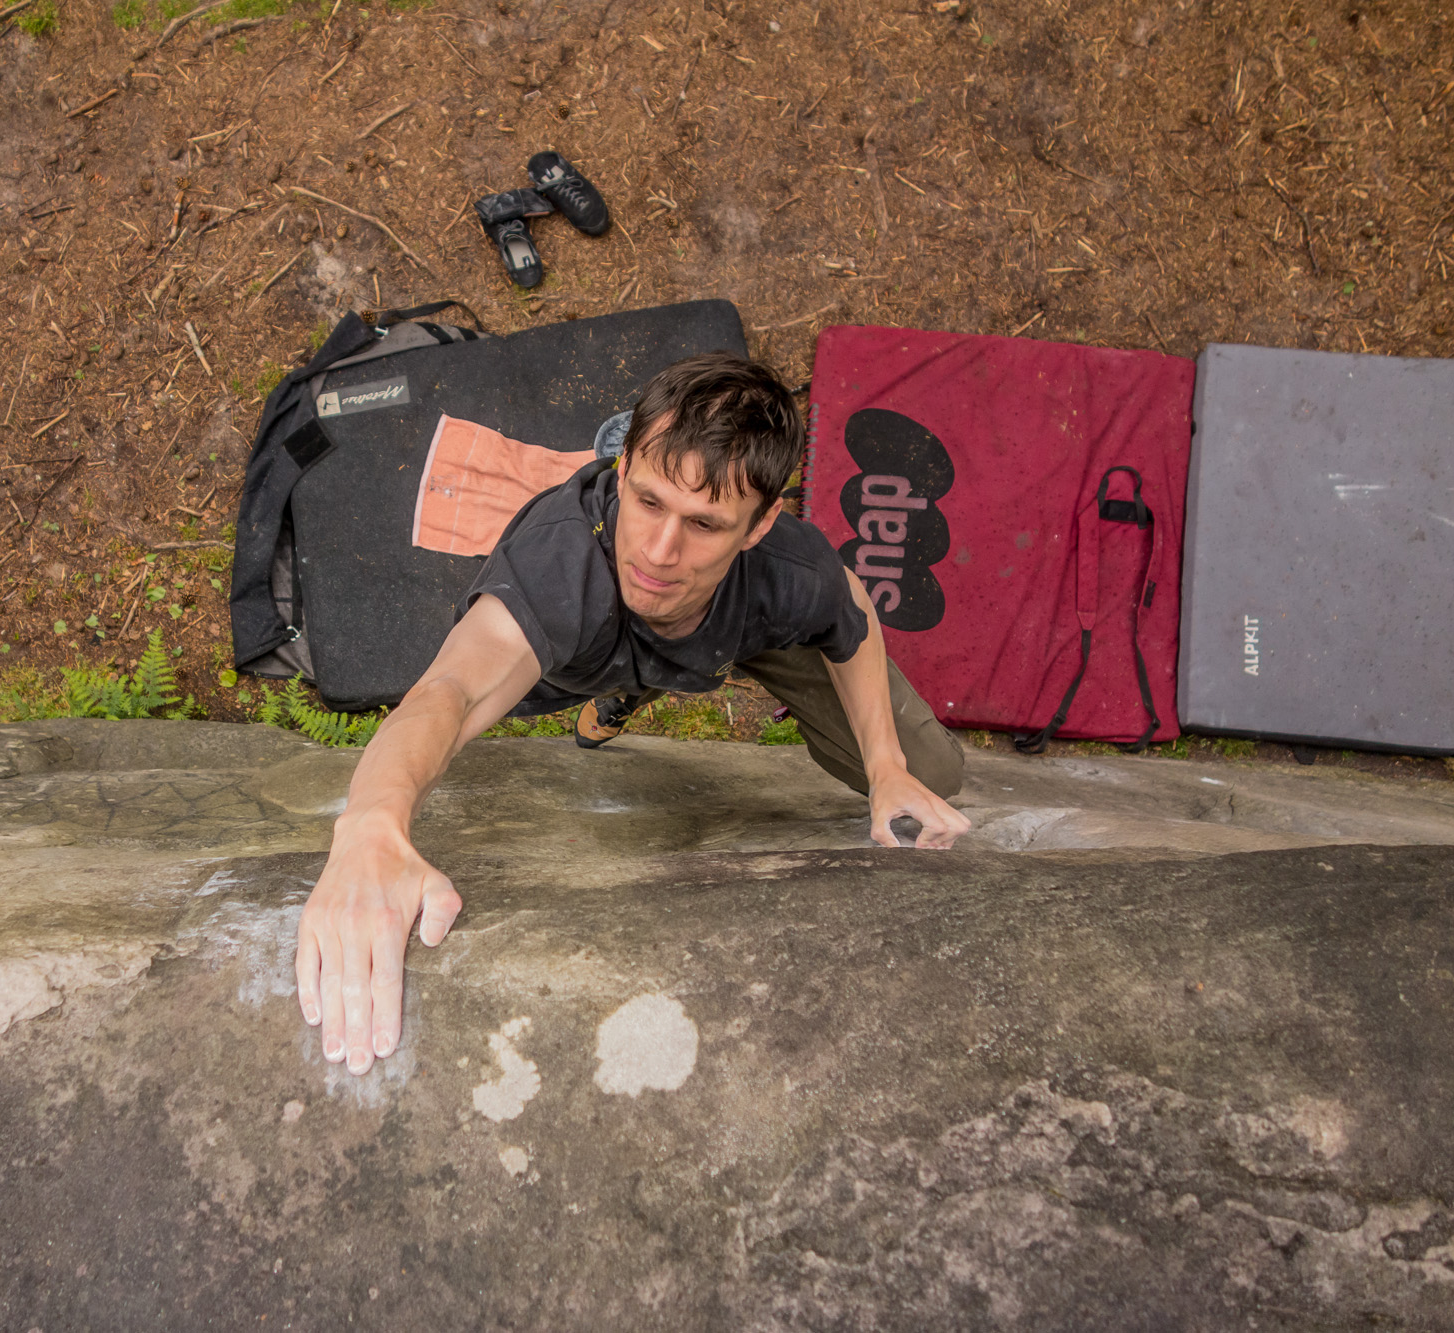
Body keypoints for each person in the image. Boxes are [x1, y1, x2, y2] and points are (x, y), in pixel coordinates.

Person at [295, 352, 970, 1075]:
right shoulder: (559, 567)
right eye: (648, 501)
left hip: (731, 630)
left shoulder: (786, 567)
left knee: (939, 771)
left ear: (762, 522)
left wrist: (886, 764)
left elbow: (852, 606)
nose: (658, 549)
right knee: (584, 640)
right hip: (583, 645)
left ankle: (661, 673)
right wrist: (371, 827)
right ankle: (629, 680)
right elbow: (448, 693)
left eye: (705, 523)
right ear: (620, 472)